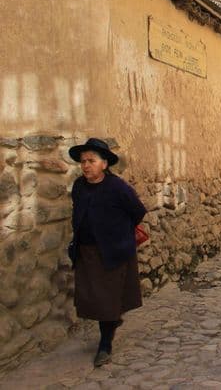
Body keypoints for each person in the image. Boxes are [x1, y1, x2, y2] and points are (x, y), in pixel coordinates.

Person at [68, 138, 147, 367]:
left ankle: (105, 344)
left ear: (104, 164)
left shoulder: (117, 187)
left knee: (106, 300)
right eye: (83, 161)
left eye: (91, 160)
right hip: (87, 252)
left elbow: (137, 211)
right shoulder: (79, 186)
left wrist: (118, 232)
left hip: (113, 252)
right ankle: (112, 322)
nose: (86, 165)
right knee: (94, 298)